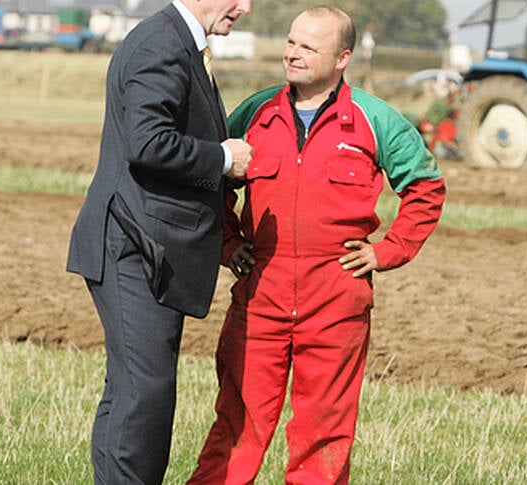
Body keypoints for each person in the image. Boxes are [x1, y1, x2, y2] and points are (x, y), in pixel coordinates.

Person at [187, 6, 446, 484]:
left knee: (322, 437)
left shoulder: (375, 119)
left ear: (343, 57)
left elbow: (425, 188)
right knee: (236, 427)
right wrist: (227, 242)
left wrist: (387, 251)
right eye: (291, 42)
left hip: (336, 298)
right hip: (260, 296)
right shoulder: (255, 113)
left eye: (308, 47)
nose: (293, 54)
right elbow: (210, 176)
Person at [65, 0, 253, 482]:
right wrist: (222, 159)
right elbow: (148, 143)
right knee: (145, 393)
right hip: (134, 245)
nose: (246, 7)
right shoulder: (162, 45)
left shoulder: (178, 42)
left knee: (132, 389)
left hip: (144, 242)